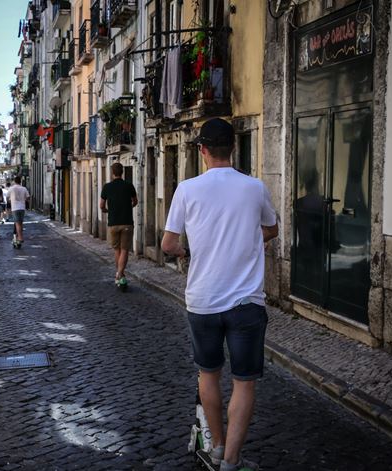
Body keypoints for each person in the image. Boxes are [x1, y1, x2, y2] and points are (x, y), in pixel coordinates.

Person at [161, 118, 278, 471]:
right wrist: (245, 242)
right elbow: (270, 229)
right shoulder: (254, 187)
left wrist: (188, 253)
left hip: (202, 301)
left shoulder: (186, 189)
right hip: (246, 304)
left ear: (202, 150)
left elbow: (168, 244)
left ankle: (216, 447)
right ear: (234, 148)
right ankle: (231, 461)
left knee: (207, 375)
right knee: (244, 383)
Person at [99, 162, 138, 288]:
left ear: (112, 173)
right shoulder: (129, 186)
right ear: (122, 172)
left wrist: (107, 211)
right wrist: (128, 207)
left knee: (117, 250)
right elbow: (135, 201)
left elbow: (101, 205)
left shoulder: (107, 187)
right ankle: (120, 275)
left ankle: (119, 275)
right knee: (125, 250)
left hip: (113, 223)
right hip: (127, 222)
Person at [7, 176, 30, 248]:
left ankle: (20, 237)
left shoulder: (11, 188)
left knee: (17, 223)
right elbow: (28, 197)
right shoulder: (24, 188)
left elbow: (7, 197)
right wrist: (24, 200)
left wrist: (11, 201)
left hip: (15, 208)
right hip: (22, 207)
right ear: (20, 181)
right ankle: (18, 238)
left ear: (14, 181)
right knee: (20, 223)